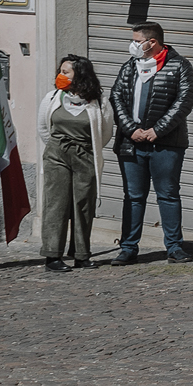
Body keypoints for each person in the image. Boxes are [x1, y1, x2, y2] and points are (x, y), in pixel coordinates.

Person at [107, 21, 193, 265]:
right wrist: (131, 129)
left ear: (152, 42)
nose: (134, 45)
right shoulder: (130, 67)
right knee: (133, 196)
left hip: (166, 144)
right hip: (131, 143)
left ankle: (175, 247)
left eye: (138, 40)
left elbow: (184, 101)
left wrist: (158, 130)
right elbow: (116, 97)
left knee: (168, 194)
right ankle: (128, 248)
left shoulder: (179, 66)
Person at [37, 54, 111, 271]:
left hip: (85, 156)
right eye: (60, 71)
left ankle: (81, 254)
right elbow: (43, 128)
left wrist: (87, 149)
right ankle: (52, 256)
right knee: (56, 205)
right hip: (57, 155)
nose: (60, 75)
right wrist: (57, 147)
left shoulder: (99, 102)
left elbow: (105, 132)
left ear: (80, 75)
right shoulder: (52, 98)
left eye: (65, 72)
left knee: (83, 205)